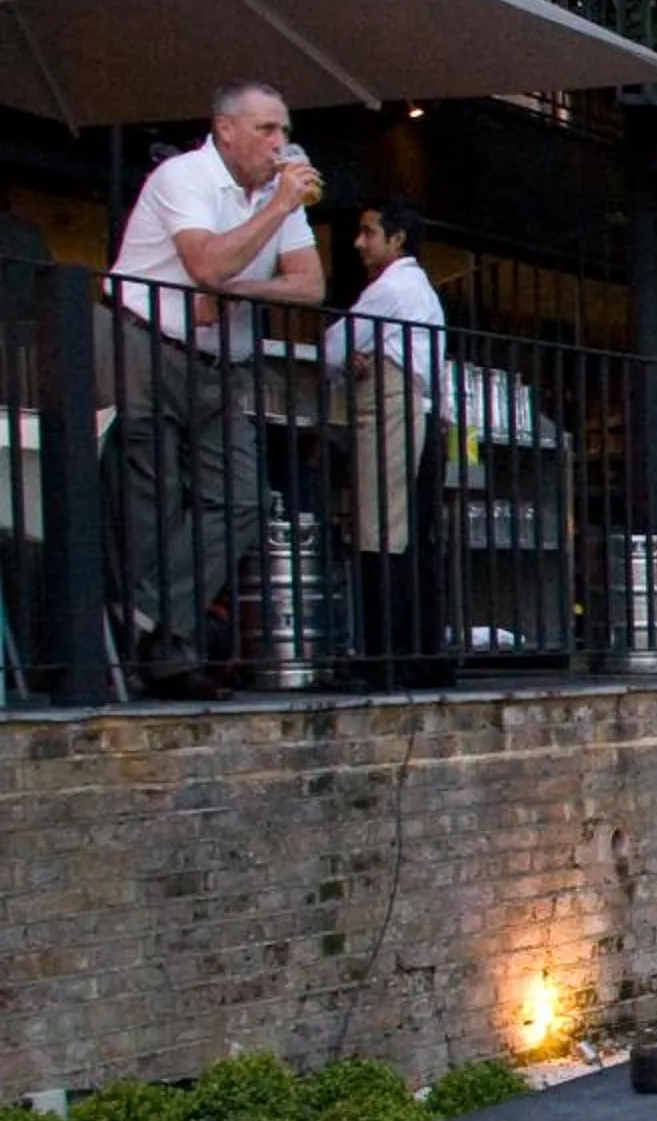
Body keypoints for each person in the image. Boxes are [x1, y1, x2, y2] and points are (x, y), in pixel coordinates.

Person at [105, 80, 324, 700]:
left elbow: (309, 285)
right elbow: (205, 263)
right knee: (152, 498)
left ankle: (144, 617)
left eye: (283, 129)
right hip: (145, 342)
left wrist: (237, 291)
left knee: (244, 497)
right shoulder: (185, 176)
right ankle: (167, 658)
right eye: (266, 129)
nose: (280, 143)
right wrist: (276, 210)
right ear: (225, 129)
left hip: (219, 362)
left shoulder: (280, 194)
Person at [320, 200, 449, 682]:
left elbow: (332, 345)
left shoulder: (391, 287)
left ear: (397, 240)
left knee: (381, 530)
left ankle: (383, 656)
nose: (359, 242)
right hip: (418, 408)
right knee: (410, 532)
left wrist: (347, 354)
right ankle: (416, 653)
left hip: (393, 408)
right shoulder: (418, 289)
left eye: (369, 232)